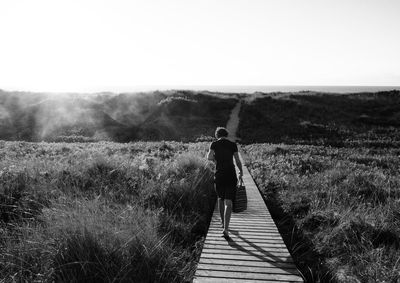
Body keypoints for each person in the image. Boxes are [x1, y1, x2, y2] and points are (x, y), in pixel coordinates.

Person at [207, 127, 243, 238]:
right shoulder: (233, 145)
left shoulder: (214, 144)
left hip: (219, 175)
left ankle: (223, 223)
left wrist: (216, 160)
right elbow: (237, 160)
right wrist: (241, 172)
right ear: (226, 135)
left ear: (217, 135)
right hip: (231, 175)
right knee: (229, 202)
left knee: (220, 199)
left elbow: (209, 157)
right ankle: (226, 229)